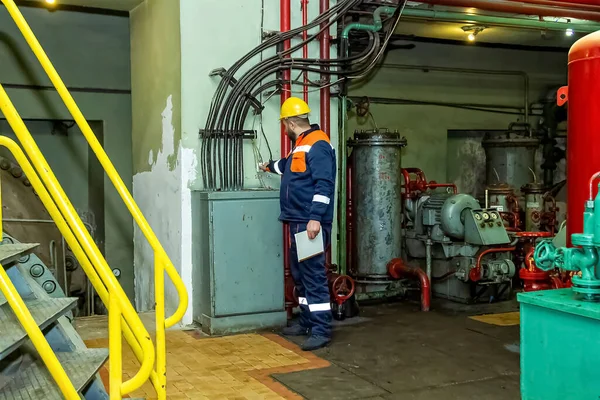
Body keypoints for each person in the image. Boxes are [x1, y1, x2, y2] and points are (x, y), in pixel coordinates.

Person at [260, 97, 336, 351]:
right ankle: (306, 321)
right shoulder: (302, 144)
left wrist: (315, 217)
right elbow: (290, 168)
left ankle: (321, 329)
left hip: (309, 222)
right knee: (300, 274)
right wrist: (269, 166)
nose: (284, 128)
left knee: (313, 275)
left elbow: (324, 184)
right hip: (297, 221)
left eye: (284, 124)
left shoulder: (319, 145)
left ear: (291, 123)